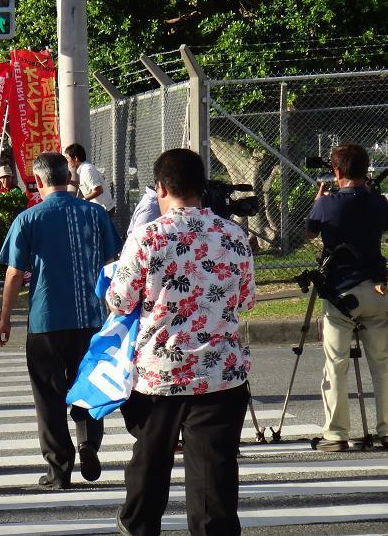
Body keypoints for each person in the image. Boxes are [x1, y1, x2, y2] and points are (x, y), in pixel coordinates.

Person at [107, 148, 255, 536]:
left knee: (150, 463)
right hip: (221, 373)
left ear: (161, 187)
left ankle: (138, 524)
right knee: (214, 475)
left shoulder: (148, 236)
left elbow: (120, 299)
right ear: (201, 188)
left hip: (160, 374)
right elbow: (246, 300)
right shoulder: (234, 235)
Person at [0, 152, 122, 489]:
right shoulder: (95, 214)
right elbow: (112, 264)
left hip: (46, 320)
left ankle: (59, 469)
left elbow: (13, 274)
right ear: (70, 176)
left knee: (49, 397)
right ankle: (89, 444)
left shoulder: (28, 219)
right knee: (89, 385)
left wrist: (5, 318)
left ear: (38, 181)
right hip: (92, 318)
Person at [306, 143, 388, 452]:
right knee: (382, 363)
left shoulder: (327, 204)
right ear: (366, 170)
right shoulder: (380, 202)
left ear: (337, 172)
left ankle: (337, 434)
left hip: (341, 293)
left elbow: (310, 233)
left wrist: (318, 202)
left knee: (336, 363)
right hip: (378, 289)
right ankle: (386, 430)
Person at [64, 143, 116, 215]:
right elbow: (85, 185)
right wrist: (70, 182)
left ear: (75, 158)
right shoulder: (84, 169)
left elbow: (98, 190)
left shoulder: (87, 170)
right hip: (100, 209)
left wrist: (82, 200)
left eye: (67, 158)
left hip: (104, 210)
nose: (67, 161)